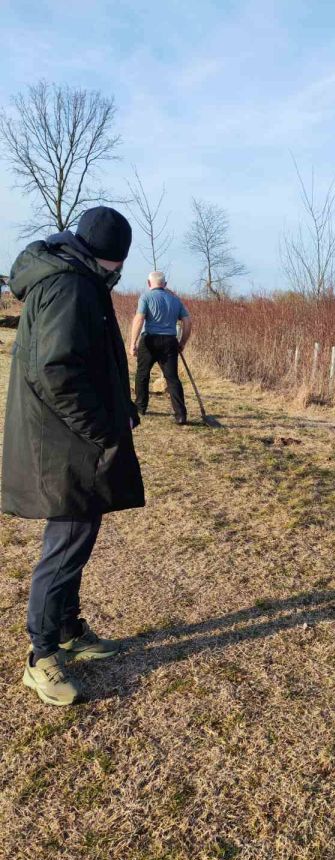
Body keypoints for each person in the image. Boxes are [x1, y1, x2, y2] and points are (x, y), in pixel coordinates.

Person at [1, 207, 145, 707]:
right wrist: (101, 428)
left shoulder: (72, 276)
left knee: (77, 535)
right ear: (110, 259)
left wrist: (121, 407)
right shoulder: (71, 286)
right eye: (119, 264)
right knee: (66, 543)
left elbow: (87, 361)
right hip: (64, 442)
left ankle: (66, 630)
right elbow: (56, 371)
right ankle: (40, 656)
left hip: (65, 438)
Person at [128, 272, 191, 425]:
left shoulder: (146, 297)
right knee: (172, 378)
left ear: (148, 283)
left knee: (142, 374)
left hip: (149, 340)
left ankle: (140, 407)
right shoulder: (175, 300)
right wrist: (182, 342)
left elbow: (139, 319)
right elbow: (187, 321)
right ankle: (181, 415)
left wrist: (132, 343)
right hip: (170, 341)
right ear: (165, 284)